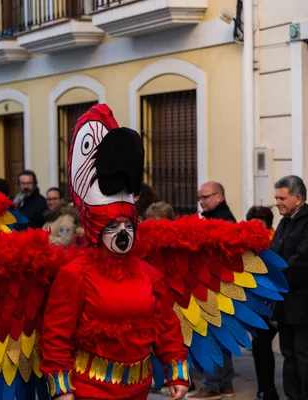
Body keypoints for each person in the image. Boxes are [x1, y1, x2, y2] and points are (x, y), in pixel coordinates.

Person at [41, 104, 190, 400]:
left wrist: (177, 371)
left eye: (127, 223)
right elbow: (56, 336)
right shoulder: (74, 275)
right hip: (89, 391)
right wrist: (61, 390)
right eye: (113, 224)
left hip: (139, 389)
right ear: (96, 226)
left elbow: (165, 325)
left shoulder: (148, 274)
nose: (122, 231)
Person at [188, 181, 236, 399]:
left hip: (212, 288)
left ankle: (210, 386)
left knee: (208, 337)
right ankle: (224, 383)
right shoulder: (218, 218)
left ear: (219, 196)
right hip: (220, 288)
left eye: (205, 197)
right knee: (222, 336)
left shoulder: (220, 222)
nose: (201, 201)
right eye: (200, 197)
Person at [272, 175, 308, 400]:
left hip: (303, 304)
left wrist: (275, 275)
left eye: (281, 197)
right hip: (284, 304)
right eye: (276, 197)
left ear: (298, 198)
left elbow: (302, 261)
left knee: (303, 355)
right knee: (288, 354)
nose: (277, 202)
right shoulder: (285, 221)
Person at [246, 205, 279, 400]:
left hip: (278, 303)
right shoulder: (248, 246)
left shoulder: (276, 242)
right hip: (260, 305)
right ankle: (266, 390)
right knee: (260, 347)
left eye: (260, 228)